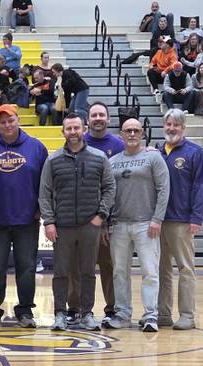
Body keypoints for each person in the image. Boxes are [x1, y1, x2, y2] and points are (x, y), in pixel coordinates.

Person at [39, 113, 116, 331]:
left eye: (76, 128)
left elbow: (110, 188)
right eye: (68, 129)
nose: (73, 132)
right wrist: (49, 222)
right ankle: (60, 314)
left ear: (84, 129)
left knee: (88, 272)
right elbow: (44, 193)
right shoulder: (52, 160)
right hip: (62, 227)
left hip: (89, 225)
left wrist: (100, 215)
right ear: (63, 132)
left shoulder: (99, 157)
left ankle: (87, 313)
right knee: (61, 272)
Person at [0, 104, 47, 328]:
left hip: (27, 220)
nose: (7, 125)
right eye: (2, 121)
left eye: (11, 120)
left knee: (26, 268)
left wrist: (41, 208)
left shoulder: (37, 148)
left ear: (18, 119)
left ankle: (25, 311)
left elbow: (46, 184)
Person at [103, 118, 170, 332]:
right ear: (121, 134)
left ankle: (150, 315)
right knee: (119, 272)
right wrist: (106, 222)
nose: (132, 134)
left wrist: (157, 219)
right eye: (127, 131)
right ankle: (122, 314)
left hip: (146, 224)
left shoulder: (153, 157)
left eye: (136, 130)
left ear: (142, 134)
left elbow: (164, 189)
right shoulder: (112, 161)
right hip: (119, 224)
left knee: (150, 271)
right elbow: (107, 194)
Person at [66, 102, 125, 326]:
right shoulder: (77, 143)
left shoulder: (119, 146)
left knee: (109, 265)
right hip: (80, 220)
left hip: (107, 219)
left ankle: (111, 308)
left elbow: (113, 187)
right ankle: (75, 308)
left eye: (102, 114)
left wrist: (105, 219)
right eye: (94, 115)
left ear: (108, 119)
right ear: (86, 121)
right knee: (76, 266)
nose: (98, 118)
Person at [157, 108, 203, 330]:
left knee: (185, 268)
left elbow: (200, 187)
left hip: (182, 221)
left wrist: (196, 217)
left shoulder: (195, 153)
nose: (171, 128)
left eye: (176, 125)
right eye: (168, 124)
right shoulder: (157, 152)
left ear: (183, 128)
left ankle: (187, 315)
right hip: (158, 221)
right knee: (162, 269)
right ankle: (163, 314)